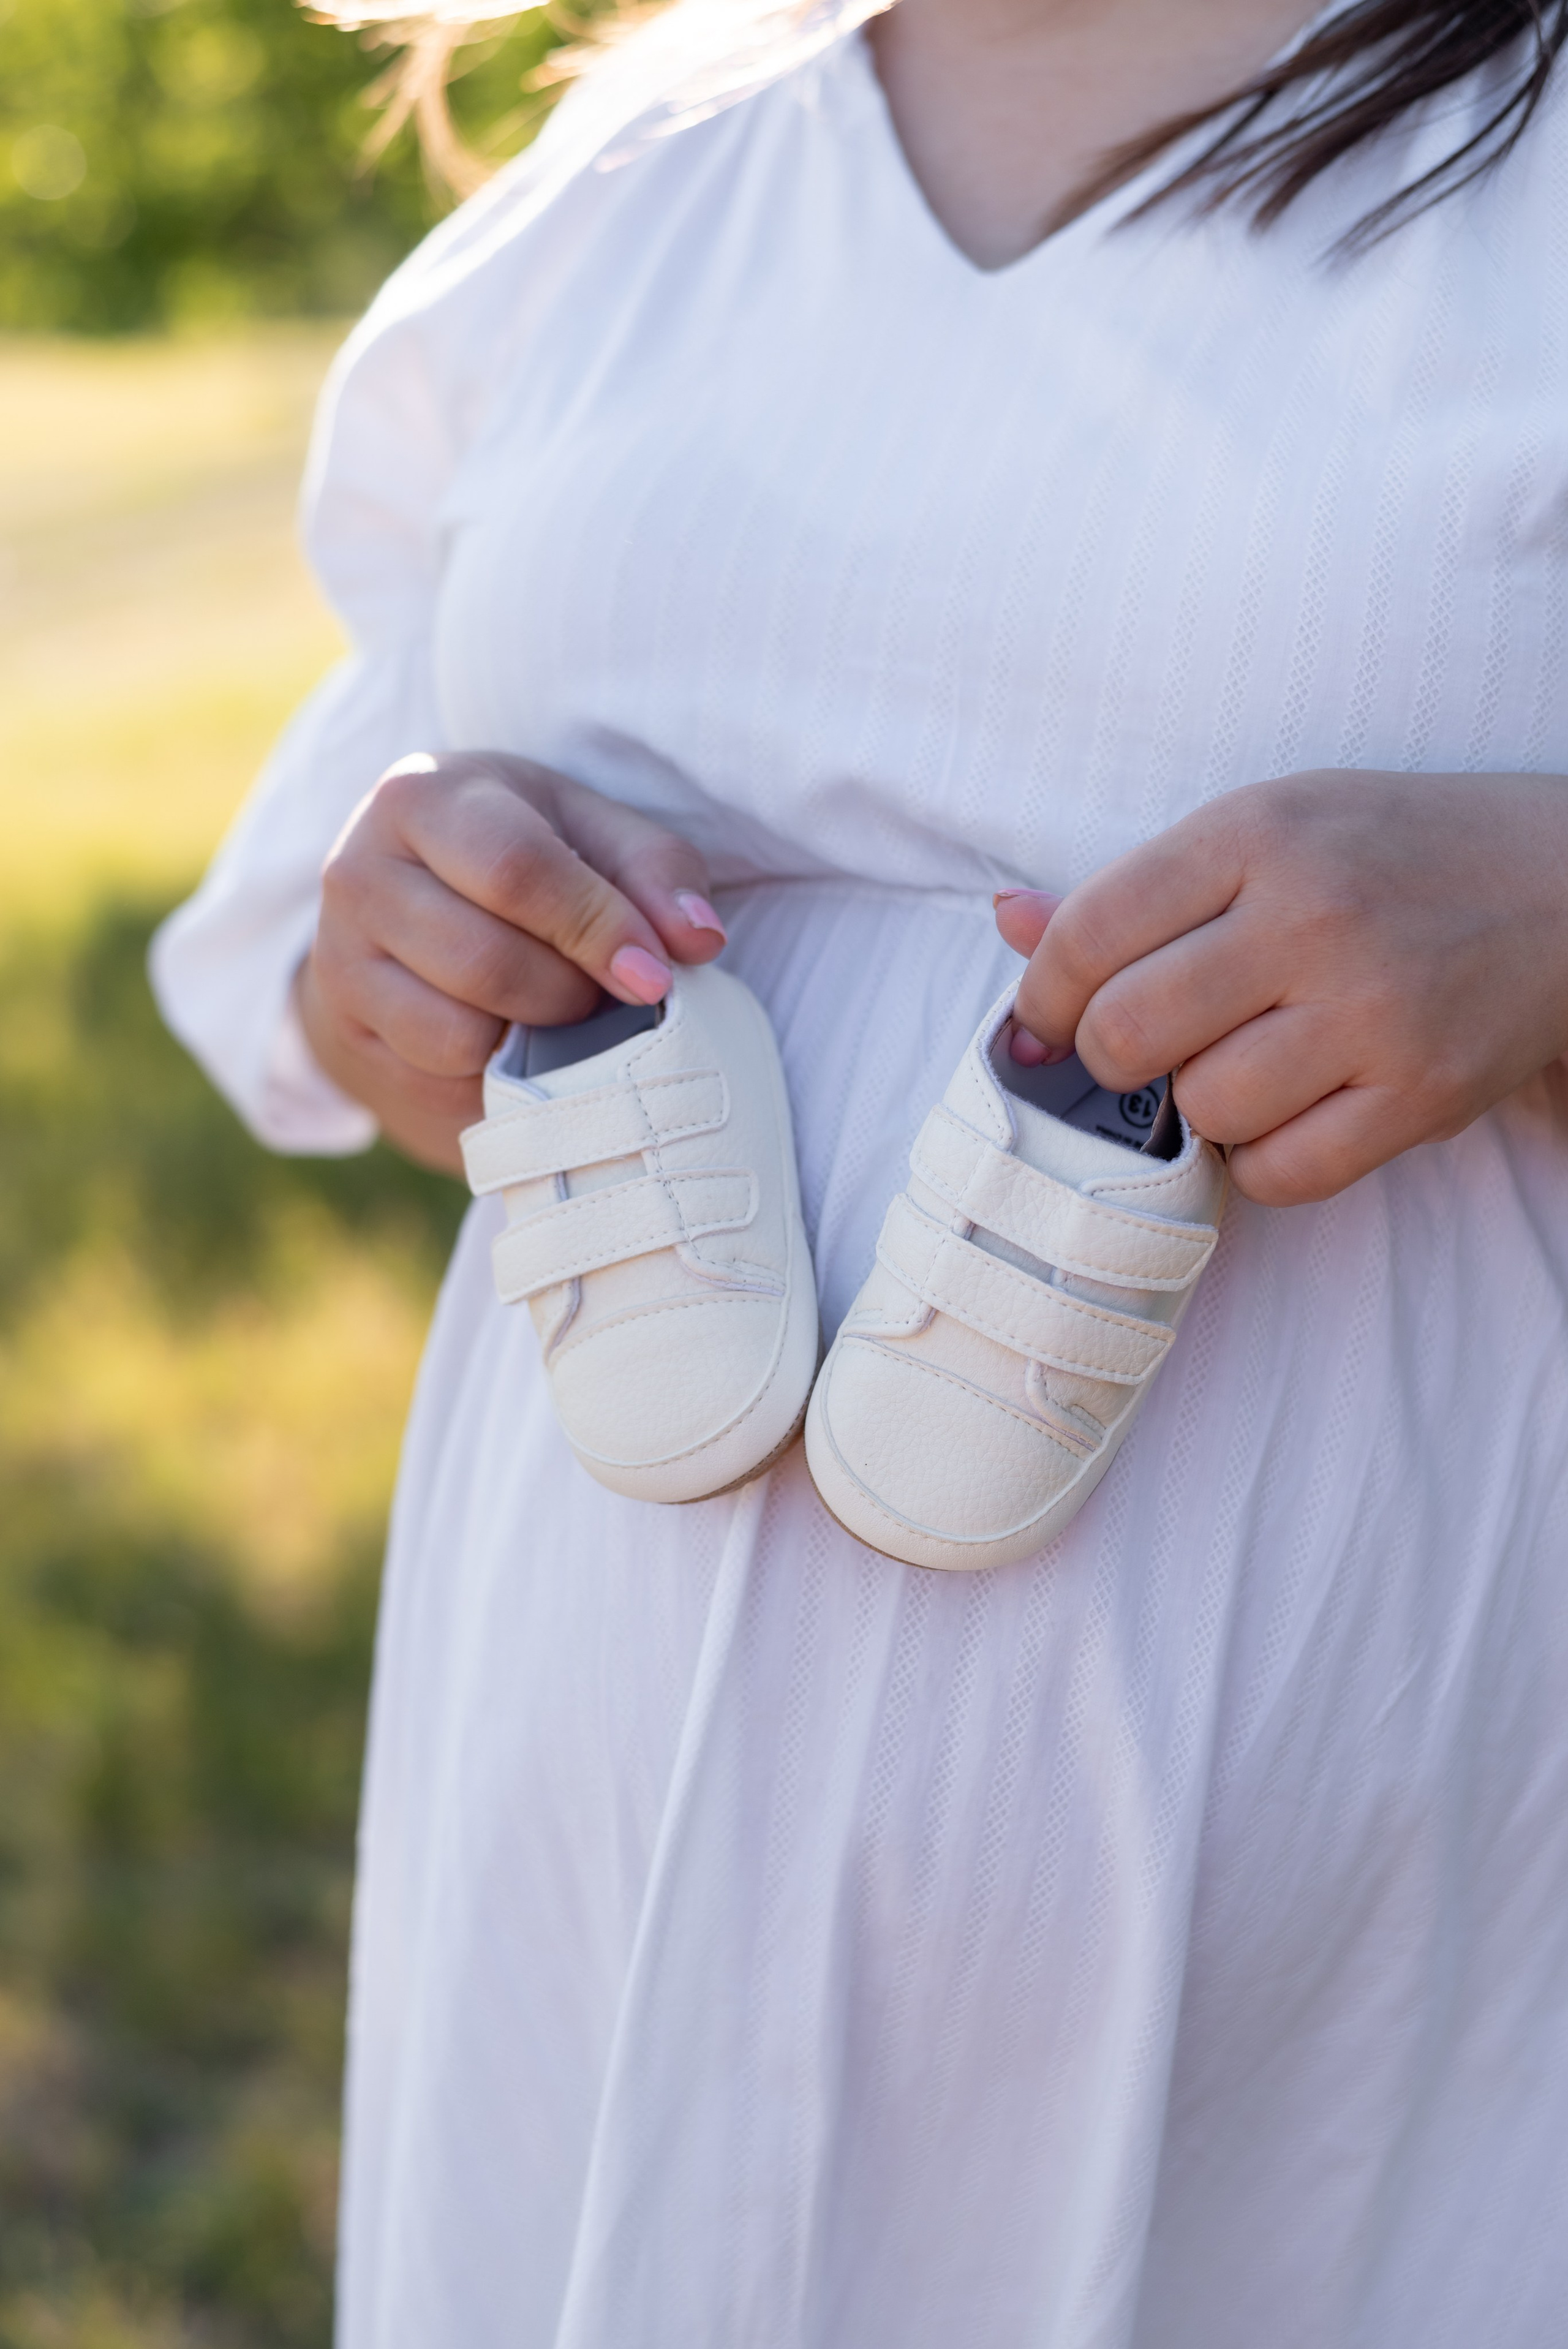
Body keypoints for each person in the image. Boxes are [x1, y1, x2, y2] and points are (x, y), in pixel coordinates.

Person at [152, 0, 1568, 2339]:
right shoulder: (626, 186)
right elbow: (331, 985)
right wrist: (396, 949)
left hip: (1351, 1917)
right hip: (577, 1855)